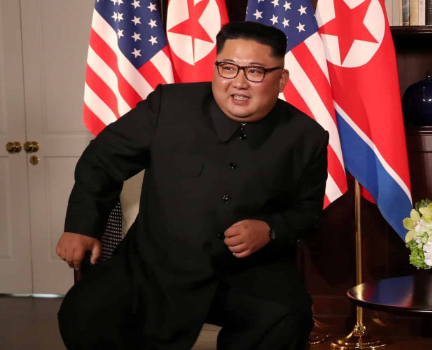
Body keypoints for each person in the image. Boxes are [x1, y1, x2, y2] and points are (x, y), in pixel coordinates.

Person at [56, 21, 326, 350]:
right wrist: (82, 226)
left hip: (245, 272)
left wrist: (269, 229)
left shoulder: (307, 137)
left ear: (281, 79)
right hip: (154, 265)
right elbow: (101, 160)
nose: (238, 83)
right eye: (227, 68)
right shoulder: (168, 106)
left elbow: (308, 213)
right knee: (83, 314)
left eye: (255, 71)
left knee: (285, 320)